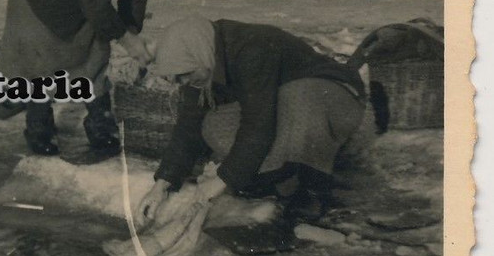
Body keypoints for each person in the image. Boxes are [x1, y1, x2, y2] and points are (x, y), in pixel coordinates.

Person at [0, 0, 207, 155]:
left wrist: (130, 29)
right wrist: (126, 40)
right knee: (42, 51)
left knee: (95, 47)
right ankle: (39, 125)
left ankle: (100, 121)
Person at [136, 16, 367, 226]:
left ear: (198, 56)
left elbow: (258, 124)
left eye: (183, 74)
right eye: (176, 77)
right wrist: (162, 184)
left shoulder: (253, 48)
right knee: (213, 124)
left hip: (336, 99)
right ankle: (278, 175)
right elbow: (188, 126)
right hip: (288, 107)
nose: (182, 82)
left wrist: (224, 179)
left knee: (296, 98)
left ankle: (312, 186)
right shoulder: (201, 59)